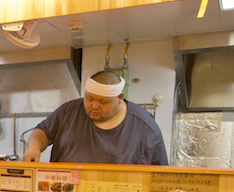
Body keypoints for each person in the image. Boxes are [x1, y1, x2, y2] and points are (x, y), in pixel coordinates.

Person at [22, 71, 168, 165]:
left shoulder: (144, 127)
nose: (94, 106)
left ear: (120, 98)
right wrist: (34, 148)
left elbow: (160, 173)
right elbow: (42, 132)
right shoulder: (69, 111)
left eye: (103, 102)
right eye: (89, 98)